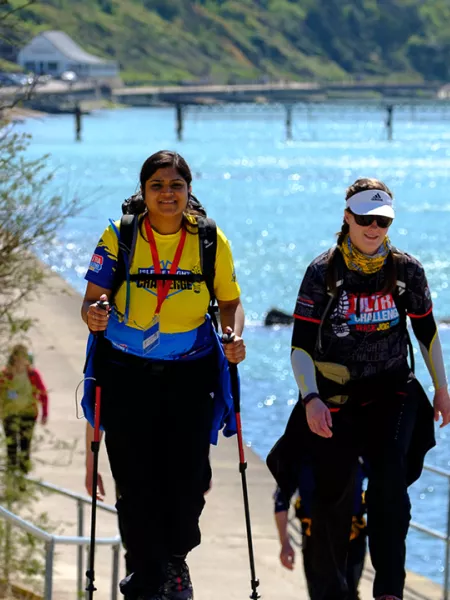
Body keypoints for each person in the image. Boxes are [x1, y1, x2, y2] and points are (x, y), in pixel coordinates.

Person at [268, 177, 450, 600]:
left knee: (389, 485)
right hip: (334, 398)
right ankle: (333, 592)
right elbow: (300, 347)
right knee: (331, 498)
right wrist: (310, 398)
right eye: (365, 219)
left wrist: (442, 387)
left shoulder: (406, 270)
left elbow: (426, 333)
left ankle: (389, 591)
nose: (373, 229)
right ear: (347, 216)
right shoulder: (322, 272)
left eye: (382, 221)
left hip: (392, 392)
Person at [81, 150, 245, 600]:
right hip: (127, 371)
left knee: (189, 478)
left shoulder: (211, 240)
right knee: (134, 480)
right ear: (144, 192)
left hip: (189, 373)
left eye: (175, 186)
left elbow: (229, 301)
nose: (167, 194)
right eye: (157, 186)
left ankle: (175, 559)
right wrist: (95, 315)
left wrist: (232, 333)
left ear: (189, 191)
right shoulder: (119, 236)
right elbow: (92, 299)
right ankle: (147, 575)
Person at [274, 459, 367, 600]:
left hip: (352, 538)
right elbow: (281, 501)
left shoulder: (358, 447)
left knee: (349, 593)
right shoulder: (298, 454)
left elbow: (384, 482)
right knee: (320, 594)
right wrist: (284, 543)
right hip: (316, 540)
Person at [0, 344, 49, 474]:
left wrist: (45, 413)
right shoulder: (5, 374)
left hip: (28, 415)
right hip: (9, 415)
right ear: (15, 357)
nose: (23, 360)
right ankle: (11, 480)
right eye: (21, 357)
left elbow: (43, 393)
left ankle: (22, 481)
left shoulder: (33, 374)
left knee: (25, 448)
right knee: (11, 447)